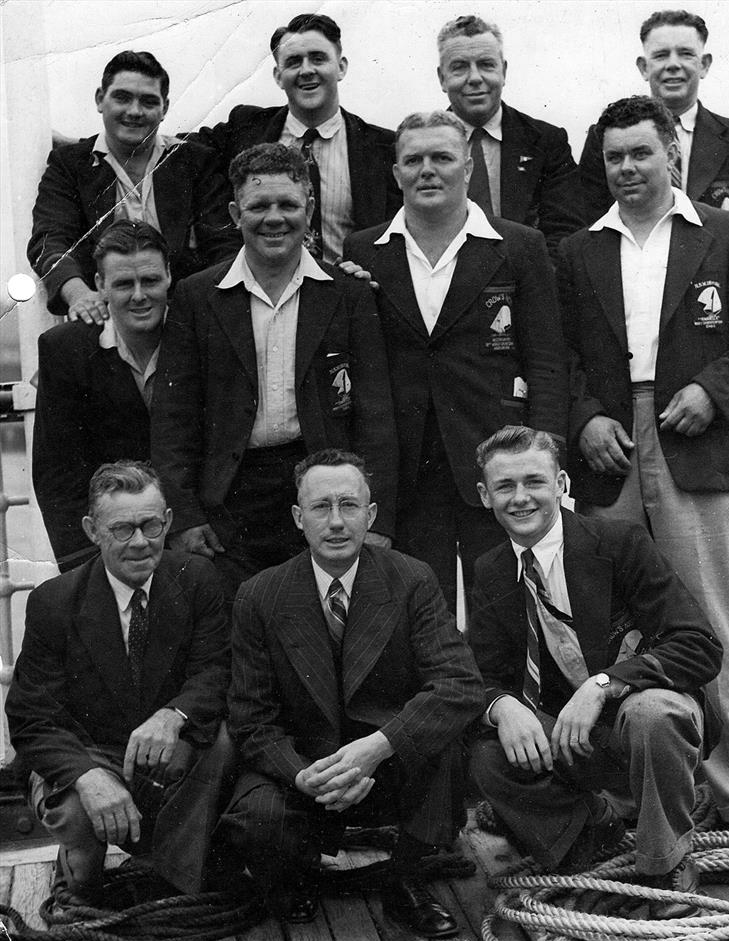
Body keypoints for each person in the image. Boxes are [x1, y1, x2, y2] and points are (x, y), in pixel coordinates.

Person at [560, 96, 729, 834]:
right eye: (614, 157)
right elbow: (556, 351)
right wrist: (588, 416)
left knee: (716, 622)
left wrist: (712, 392)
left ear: (673, 158)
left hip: (697, 438)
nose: (627, 168)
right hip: (610, 447)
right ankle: (631, 801)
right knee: (611, 621)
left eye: (640, 154)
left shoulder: (725, 233)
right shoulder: (578, 250)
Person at [219, 449, 483, 935]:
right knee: (256, 818)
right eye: (321, 507)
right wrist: (303, 776)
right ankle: (299, 874)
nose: (336, 522)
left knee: (444, 747)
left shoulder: (411, 578)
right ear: (299, 518)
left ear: (372, 514)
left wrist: (379, 747)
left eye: (349, 505)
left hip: (385, 761)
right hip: (307, 769)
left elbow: (459, 683)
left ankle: (406, 878)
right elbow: (251, 719)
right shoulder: (259, 595)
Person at [468, 427, 722, 915]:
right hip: (575, 736)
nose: (520, 498)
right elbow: (480, 674)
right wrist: (501, 708)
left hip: (642, 721)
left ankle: (663, 864)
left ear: (561, 483)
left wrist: (605, 684)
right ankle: (591, 830)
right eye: (504, 487)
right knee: (486, 753)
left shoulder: (620, 542)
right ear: (485, 496)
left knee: (653, 712)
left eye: (534, 481)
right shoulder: (493, 569)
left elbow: (700, 646)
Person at [150, 143, 397, 602]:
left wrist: (377, 521)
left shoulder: (348, 294)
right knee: (239, 630)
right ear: (233, 212)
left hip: (322, 488)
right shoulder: (197, 296)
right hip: (230, 499)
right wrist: (184, 516)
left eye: (287, 204)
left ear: (310, 207)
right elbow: (173, 417)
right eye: (258, 205)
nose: (274, 218)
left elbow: (376, 415)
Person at [343, 110, 567, 614]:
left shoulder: (518, 245)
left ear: (467, 167)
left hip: (498, 460)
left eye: (442, 158)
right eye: (413, 159)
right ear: (395, 171)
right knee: (420, 611)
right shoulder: (365, 252)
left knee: (513, 608)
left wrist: (549, 457)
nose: (428, 170)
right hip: (407, 468)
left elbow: (549, 361)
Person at [6, 462, 231, 903]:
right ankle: (81, 880)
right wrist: (87, 776)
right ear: (92, 530)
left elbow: (217, 671)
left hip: (163, 755)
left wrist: (174, 714)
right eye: (122, 530)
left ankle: (169, 882)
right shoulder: (54, 602)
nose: (141, 542)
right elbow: (31, 717)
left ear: (168, 521)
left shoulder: (198, 580)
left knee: (222, 740)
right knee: (76, 826)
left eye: (151, 525)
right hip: (88, 754)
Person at [27, 50, 237, 324]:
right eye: (122, 98)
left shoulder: (195, 163)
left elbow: (224, 247)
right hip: (100, 320)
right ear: (100, 99)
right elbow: (49, 241)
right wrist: (80, 295)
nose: (135, 111)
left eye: (148, 102)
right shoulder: (69, 166)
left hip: (186, 322)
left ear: (165, 108)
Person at [191, 13, 400, 264]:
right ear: (278, 76)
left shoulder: (383, 147)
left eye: (318, 58)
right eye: (293, 62)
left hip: (348, 293)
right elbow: (179, 151)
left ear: (341, 67)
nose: (306, 70)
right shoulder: (244, 128)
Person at [579, 9, 729, 269]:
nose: (673, 64)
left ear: (704, 64)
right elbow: (587, 225)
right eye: (661, 55)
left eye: (686, 53)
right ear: (643, 67)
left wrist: (725, 275)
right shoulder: (605, 138)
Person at [33, 221, 170, 572]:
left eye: (150, 280)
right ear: (99, 286)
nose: (139, 296)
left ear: (169, 276)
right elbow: (58, 478)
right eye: (124, 284)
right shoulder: (66, 350)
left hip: (188, 542)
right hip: (108, 551)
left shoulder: (196, 332)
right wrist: (87, 573)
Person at [436, 14, 585, 259]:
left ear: (503, 71)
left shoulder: (547, 142)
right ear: (442, 78)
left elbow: (565, 232)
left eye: (486, 64)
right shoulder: (420, 147)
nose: (475, 78)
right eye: (460, 67)